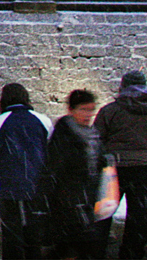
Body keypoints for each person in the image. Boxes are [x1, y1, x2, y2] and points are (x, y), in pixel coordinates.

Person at [93, 72, 147, 260]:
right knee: (138, 216)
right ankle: (132, 254)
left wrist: (100, 164)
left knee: (104, 213)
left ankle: (96, 253)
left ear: (122, 87)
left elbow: (97, 141)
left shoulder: (110, 111)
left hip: (116, 168)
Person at [0, 83, 53, 260]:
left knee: (11, 234)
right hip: (37, 185)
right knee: (35, 233)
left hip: (8, 185)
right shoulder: (43, 120)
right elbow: (51, 153)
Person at [41, 90, 107, 260]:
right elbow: (53, 169)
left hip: (88, 200)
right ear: (71, 110)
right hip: (69, 204)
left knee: (74, 248)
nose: (88, 115)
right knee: (76, 246)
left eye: (91, 109)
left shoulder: (93, 134)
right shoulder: (64, 134)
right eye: (83, 109)